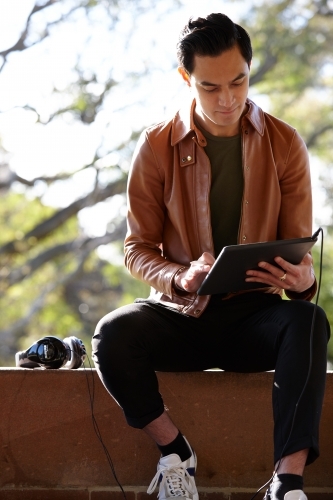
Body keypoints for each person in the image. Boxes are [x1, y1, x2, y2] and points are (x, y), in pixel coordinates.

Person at [92, 13, 330, 500]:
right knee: (112, 334)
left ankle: (286, 484)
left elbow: (298, 256)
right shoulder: (157, 145)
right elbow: (137, 250)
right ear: (187, 79)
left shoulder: (284, 143)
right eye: (210, 87)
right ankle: (175, 452)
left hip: (255, 318)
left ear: (249, 69)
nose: (228, 99)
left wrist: (301, 276)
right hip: (181, 314)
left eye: (238, 81)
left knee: (309, 321)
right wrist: (181, 278)